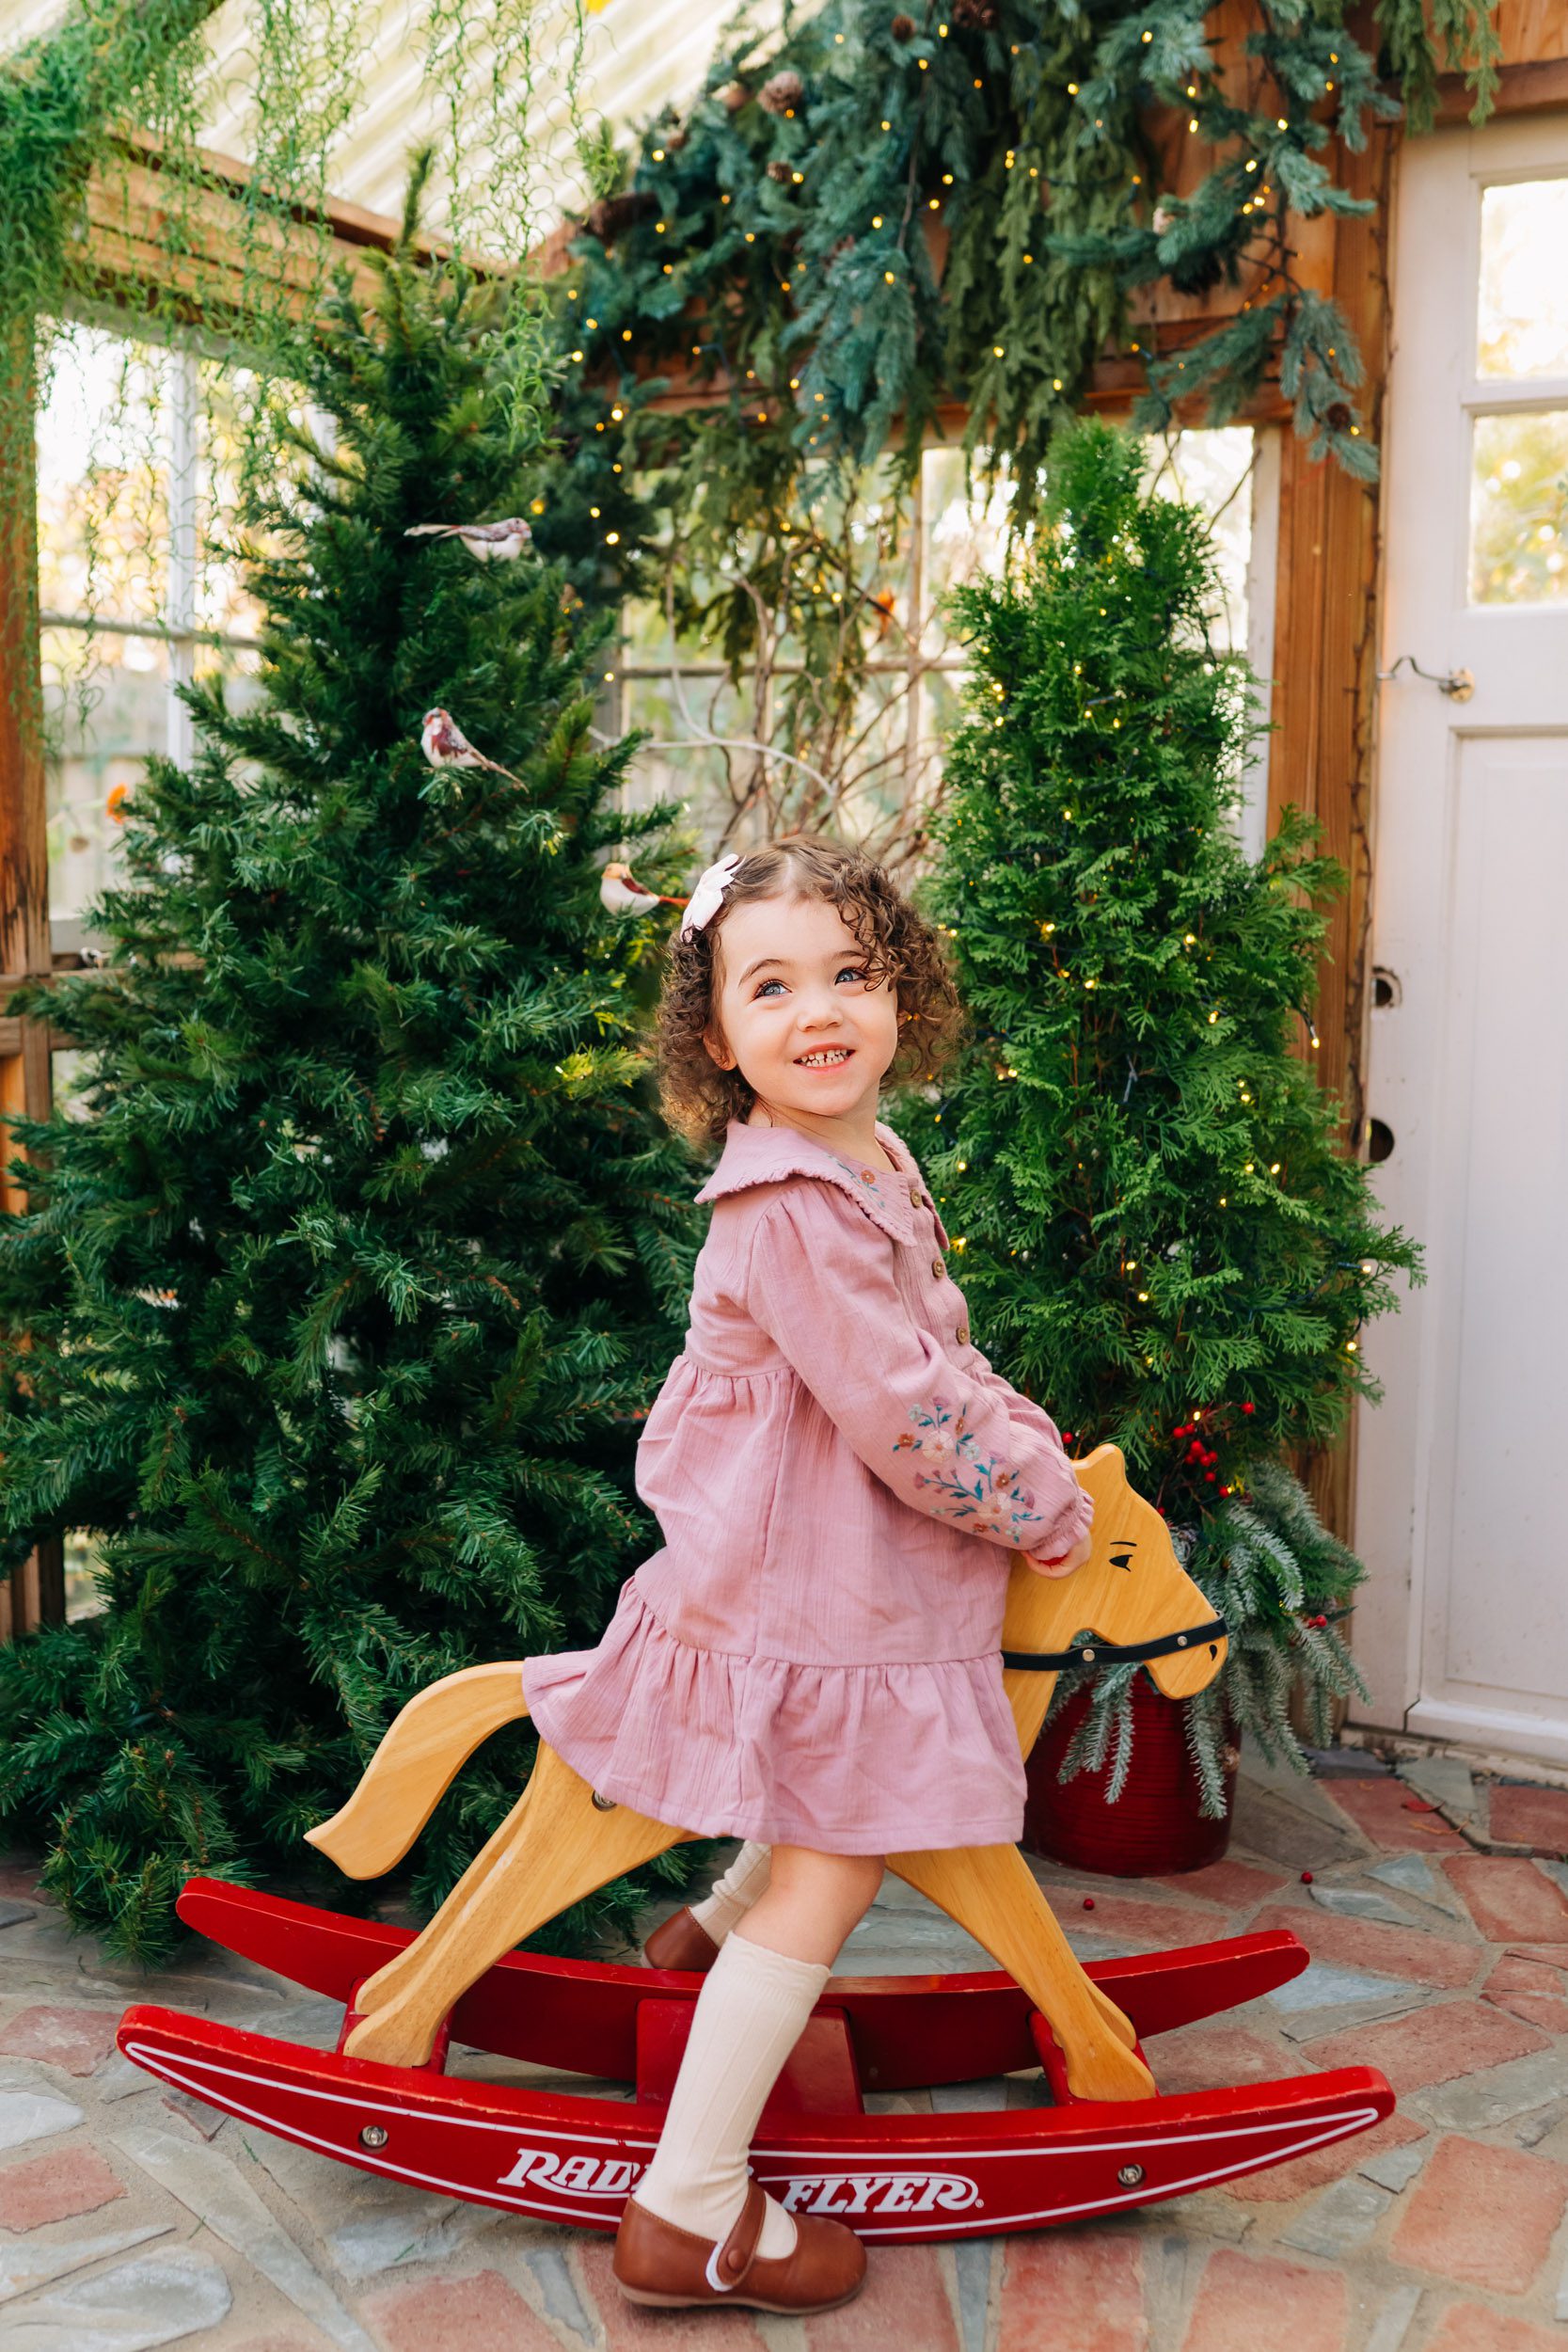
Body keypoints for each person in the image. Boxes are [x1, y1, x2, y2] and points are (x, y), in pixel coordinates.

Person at [522, 836, 1094, 2316]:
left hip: (849, 1551)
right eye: (770, 987)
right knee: (838, 1859)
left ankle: (703, 1931)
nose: (819, 1012)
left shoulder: (871, 1156)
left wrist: (1016, 1422)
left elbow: (937, 1344)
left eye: (851, 973)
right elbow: (906, 1421)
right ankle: (692, 2205)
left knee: (827, 1810)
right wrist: (1032, 1500)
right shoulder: (779, 1207)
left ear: (903, 991)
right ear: (716, 1039)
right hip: (800, 1571)